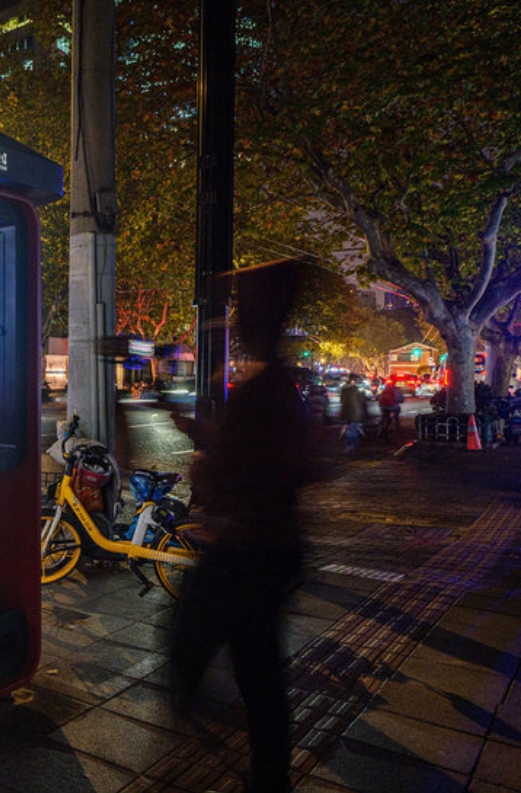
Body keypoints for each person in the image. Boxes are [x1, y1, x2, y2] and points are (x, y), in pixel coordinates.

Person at [170, 260, 315, 793]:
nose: (237, 322)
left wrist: (211, 463)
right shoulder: (276, 387)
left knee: (198, 637)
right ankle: (268, 770)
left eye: (243, 312)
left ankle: (200, 713)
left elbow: (238, 465)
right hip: (272, 548)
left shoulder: (265, 391)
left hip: (248, 549)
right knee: (256, 665)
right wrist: (200, 432)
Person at [338, 375, 367, 451]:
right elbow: (362, 400)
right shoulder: (355, 389)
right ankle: (352, 445)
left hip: (345, 412)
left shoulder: (343, 389)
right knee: (353, 429)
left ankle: (349, 445)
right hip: (354, 413)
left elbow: (341, 400)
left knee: (349, 428)